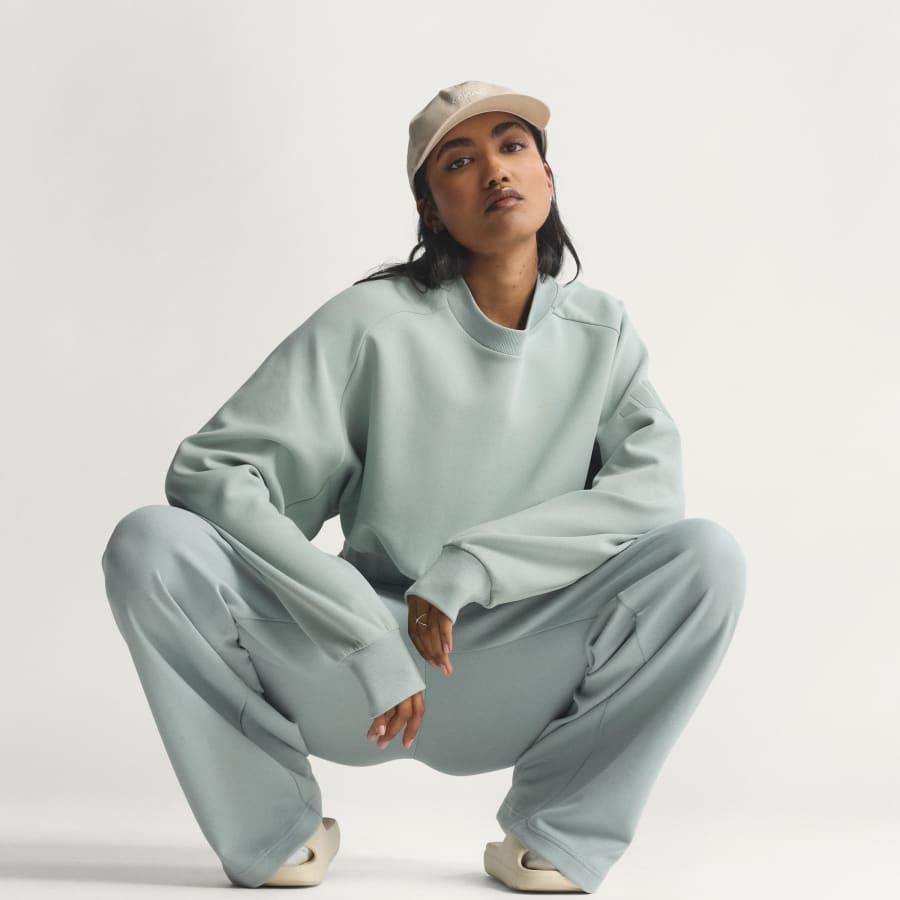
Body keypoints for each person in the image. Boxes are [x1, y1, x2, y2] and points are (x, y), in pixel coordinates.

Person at [101, 80, 746, 893]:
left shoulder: (602, 332)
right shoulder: (373, 321)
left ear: (547, 177)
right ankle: (273, 830)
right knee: (151, 545)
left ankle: (557, 835)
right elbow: (211, 471)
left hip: (524, 663)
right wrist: (360, 630)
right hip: (358, 672)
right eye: (459, 161)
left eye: (513, 146)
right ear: (430, 209)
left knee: (706, 559)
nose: (495, 170)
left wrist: (470, 566)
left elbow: (650, 495)